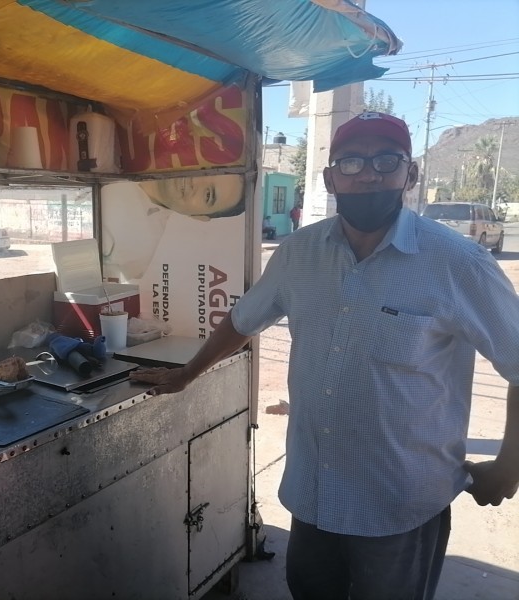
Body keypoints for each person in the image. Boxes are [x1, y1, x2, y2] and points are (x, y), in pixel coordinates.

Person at [130, 112, 519, 600]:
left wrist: (509, 464)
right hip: (314, 489)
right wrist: (188, 373)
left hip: (399, 500)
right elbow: (244, 319)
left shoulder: (456, 262)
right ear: (330, 177)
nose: (369, 174)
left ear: (410, 173)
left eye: (386, 160)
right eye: (352, 162)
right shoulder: (298, 253)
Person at [101, 174, 245, 281]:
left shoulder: (140, 249)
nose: (194, 180)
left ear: (198, 216)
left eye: (208, 194)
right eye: (206, 171)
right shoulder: (123, 144)